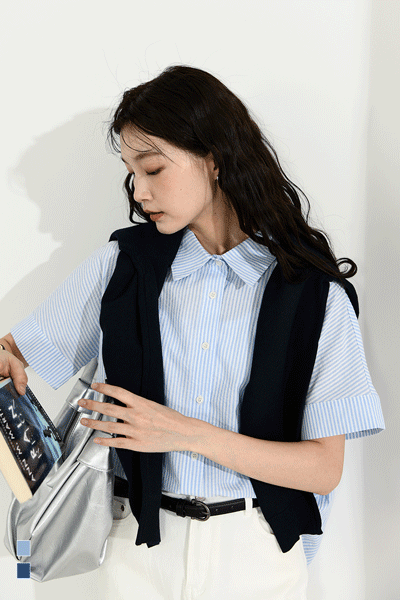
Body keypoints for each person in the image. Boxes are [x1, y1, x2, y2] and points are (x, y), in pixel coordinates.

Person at [0, 65, 384, 599]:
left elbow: (323, 469)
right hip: (135, 551)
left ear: (215, 159)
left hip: (256, 558)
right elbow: (18, 352)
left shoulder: (314, 294)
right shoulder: (124, 266)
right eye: (131, 172)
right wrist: (8, 362)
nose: (140, 190)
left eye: (153, 168)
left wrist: (181, 433)